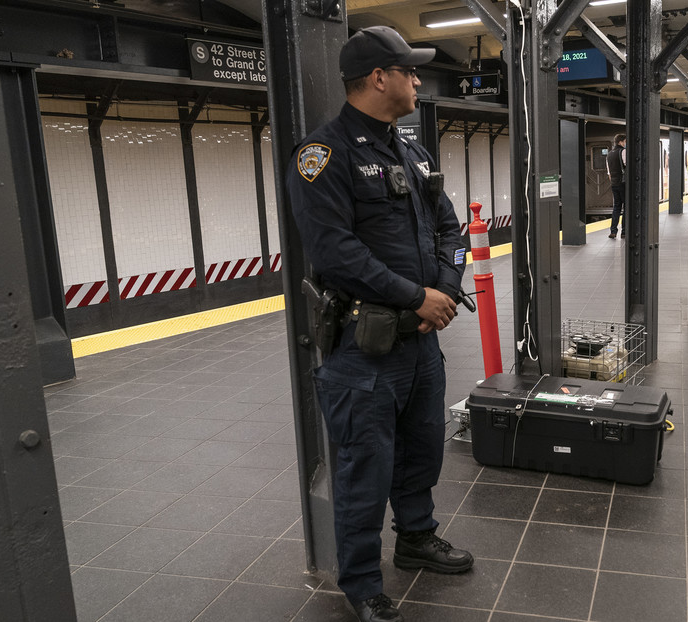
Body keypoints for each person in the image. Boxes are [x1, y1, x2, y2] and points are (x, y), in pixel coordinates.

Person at [286, 26, 473, 622]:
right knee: (364, 466)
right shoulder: (323, 156)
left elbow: (450, 226)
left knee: (421, 450)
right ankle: (363, 583)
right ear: (378, 78)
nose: (419, 80)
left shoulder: (411, 151)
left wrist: (444, 290)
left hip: (419, 342)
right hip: (364, 350)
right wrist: (415, 296)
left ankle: (416, 538)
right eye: (410, 70)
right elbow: (336, 252)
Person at [607, 133, 627, 239]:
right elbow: (627, 165)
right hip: (623, 183)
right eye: (624, 141)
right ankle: (624, 232)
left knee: (616, 207)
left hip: (614, 184)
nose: (625, 144)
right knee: (626, 207)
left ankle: (613, 231)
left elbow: (609, 173)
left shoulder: (609, 154)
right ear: (620, 142)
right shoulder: (622, 151)